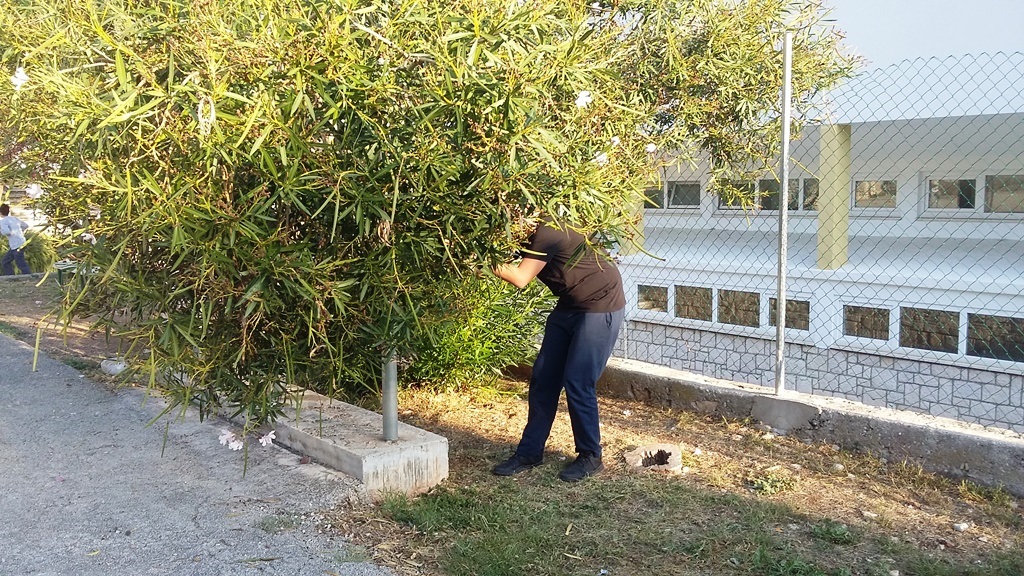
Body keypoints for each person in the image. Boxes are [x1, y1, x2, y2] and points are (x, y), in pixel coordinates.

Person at [491, 216, 625, 482]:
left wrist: (480, 263)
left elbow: (520, 277)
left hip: (599, 305)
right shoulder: (524, 232)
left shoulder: (547, 230)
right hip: (569, 303)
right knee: (544, 377)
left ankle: (591, 455)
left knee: (578, 380)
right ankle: (529, 452)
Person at [0, 203, 32, 275]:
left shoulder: (2, 221)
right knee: (5, 261)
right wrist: (19, 231)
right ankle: (11, 276)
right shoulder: (14, 218)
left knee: (21, 263)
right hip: (21, 242)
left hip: (16, 245)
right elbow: (25, 225)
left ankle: (28, 276)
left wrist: (1, 230)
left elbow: (6, 232)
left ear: (0, 213)